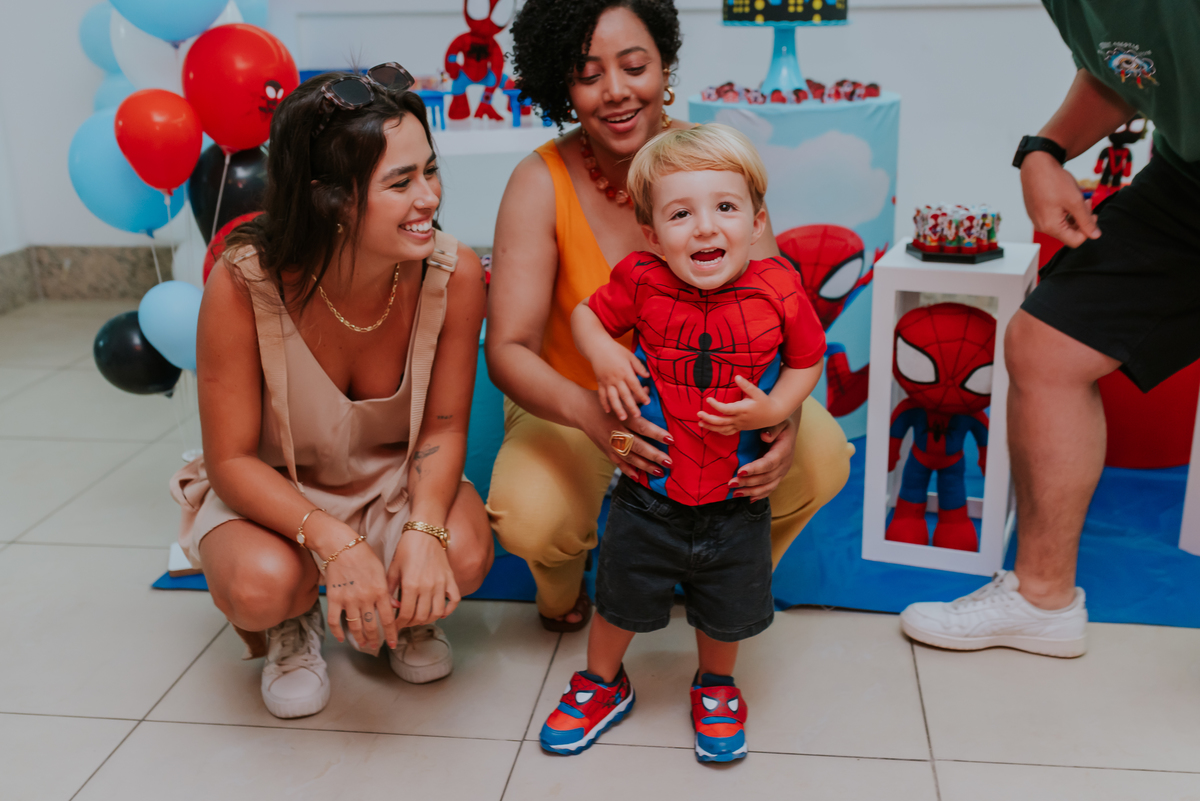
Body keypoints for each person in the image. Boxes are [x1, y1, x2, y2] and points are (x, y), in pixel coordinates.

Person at [485, 0, 853, 634]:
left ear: (664, 67)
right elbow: (509, 349)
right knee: (529, 516)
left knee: (821, 457)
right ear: (562, 85)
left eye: (634, 66)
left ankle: (719, 578)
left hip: (718, 403)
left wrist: (783, 416)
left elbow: (778, 309)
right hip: (574, 399)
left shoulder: (712, 159)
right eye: (588, 72)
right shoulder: (538, 180)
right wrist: (592, 416)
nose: (617, 92)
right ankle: (564, 591)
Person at [170, 65, 493, 719]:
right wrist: (337, 543)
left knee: (463, 551)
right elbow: (231, 460)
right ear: (329, 198)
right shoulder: (241, 283)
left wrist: (425, 529)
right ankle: (295, 623)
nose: (429, 197)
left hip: (393, 482)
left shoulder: (453, 274)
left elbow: (445, 425)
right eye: (400, 182)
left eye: (429, 171)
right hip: (273, 492)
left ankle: (398, 611)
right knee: (263, 585)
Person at [900, 1, 1200, 657]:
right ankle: (1042, 599)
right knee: (1047, 345)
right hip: (1188, 181)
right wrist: (1045, 150)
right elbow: (1129, 69)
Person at [538, 125, 825, 762]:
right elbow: (587, 316)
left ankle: (717, 685)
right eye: (680, 213)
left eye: (725, 207)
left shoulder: (780, 288)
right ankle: (602, 682)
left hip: (736, 492)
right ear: (651, 234)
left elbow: (809, 359)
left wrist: (779, 407)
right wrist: (606, 361)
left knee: (728, 605)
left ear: (757, 221)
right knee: (619, 594)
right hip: (651, 484)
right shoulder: (640, 279)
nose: (704, 228)